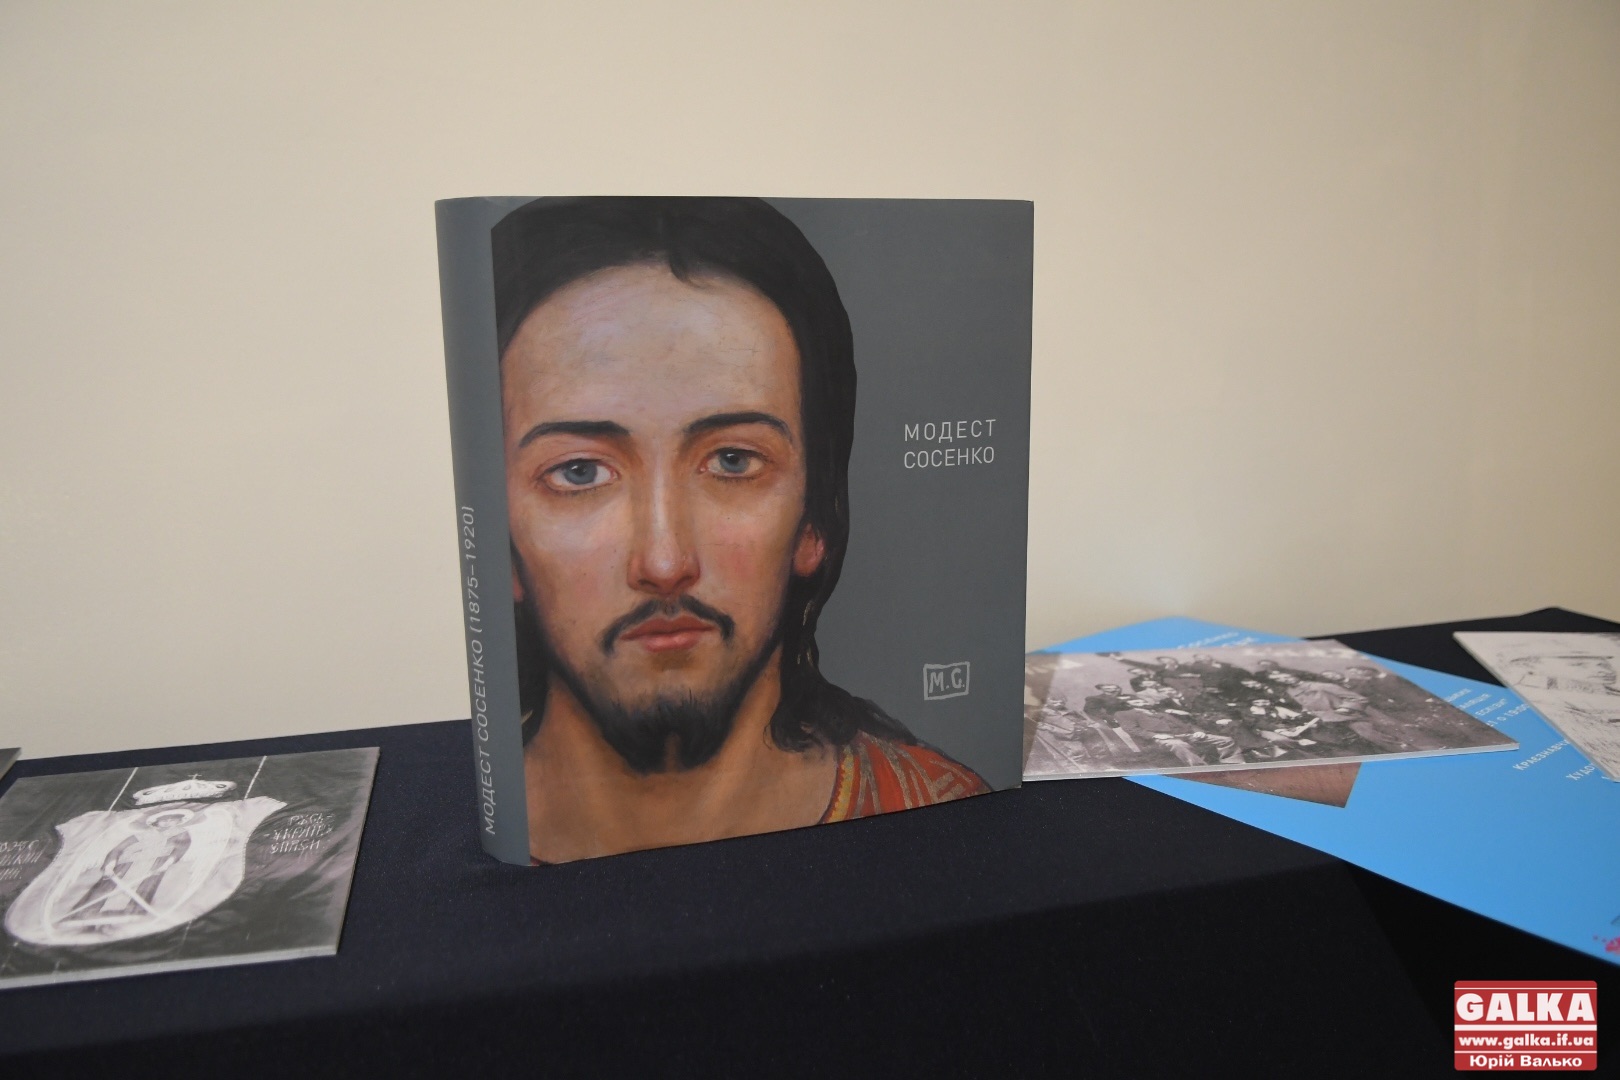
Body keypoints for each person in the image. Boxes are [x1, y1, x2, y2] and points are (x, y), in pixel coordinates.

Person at [491, 197, 988, 863]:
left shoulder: (940, 819)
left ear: (814, 520)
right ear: (502, 540)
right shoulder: (496, 828)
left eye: (733, 461)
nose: (665, 562)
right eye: (579, 472)